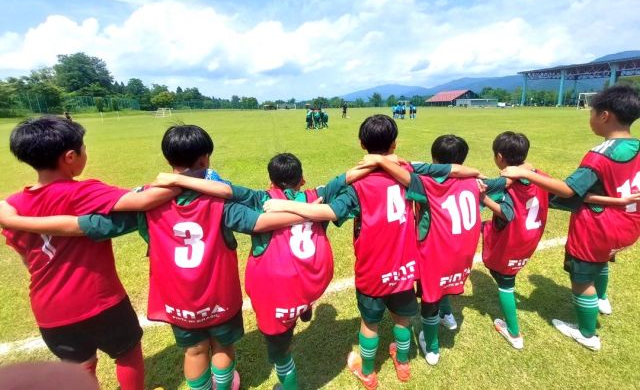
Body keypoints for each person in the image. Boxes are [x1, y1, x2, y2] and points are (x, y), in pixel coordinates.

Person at [0, 124, 308, 390]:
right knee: (223, 346)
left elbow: (91, 225)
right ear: (205, 159)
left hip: (178, 301)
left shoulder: (145, 207)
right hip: (221, 297)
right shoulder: (220, 200)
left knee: (194, 350)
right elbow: (256, 220)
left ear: (168, 160)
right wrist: (306, 211)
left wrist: (16, 219)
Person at [263, 115, 479, 388]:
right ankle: (403, 362)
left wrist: (285, 206)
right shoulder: (409, 172)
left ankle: (367, 370)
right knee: (403, 317)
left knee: (370, 323)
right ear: (395, 142)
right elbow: (449, 170)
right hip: (404, 265)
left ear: (361, 144)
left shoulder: (359, 186)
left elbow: (329, 211)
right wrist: (475, 173)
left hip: (373, 268)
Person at [152, 153, 369, 390]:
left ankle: (289, 386)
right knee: (301, 293)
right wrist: (381, 162)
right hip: (314, 279)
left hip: (279, 289)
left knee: (280, 351)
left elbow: (229, 190)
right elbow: (347, 177)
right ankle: (305, 307)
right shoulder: (317, 195)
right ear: (303, 179)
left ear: (270, 183)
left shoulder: (261, 198)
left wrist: (179, 180)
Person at [0, 115, 177, 390]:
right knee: (127, 353)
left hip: (49, 308)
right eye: (84, 148)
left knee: (79, 365)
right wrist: (189, 178)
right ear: (70, 156)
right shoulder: (82, 192)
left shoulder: (13, 205)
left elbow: (26, 259)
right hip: (102, 301)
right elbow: (144, 200)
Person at [501, 85, 640, 351]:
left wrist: (527, 174)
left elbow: (568, 190)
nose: (590, 117)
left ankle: (587, 334)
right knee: (602, 261)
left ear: (605, 115)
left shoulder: (600, 155)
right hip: (629, 224)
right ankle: (602, 299)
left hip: (598, 228)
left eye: (592, 112)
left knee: (582, 277)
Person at [357, 135, 488, 365]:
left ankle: (432, 348)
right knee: (446, 284)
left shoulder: (428, 182)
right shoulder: (472, 182)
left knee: (430, 298)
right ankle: (447, 315)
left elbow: (408, 176)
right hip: (463, 249)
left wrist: (377, 160)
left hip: (435, 251)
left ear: (435, 159)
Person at [481, 132, 550, 350]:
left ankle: (514, 332)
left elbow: (507, 213)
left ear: (499, 157)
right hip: (530, 237)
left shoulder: (508, 187)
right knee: (487, 231)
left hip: (514, 240)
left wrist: (482, 198)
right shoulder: (538, 175)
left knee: (505, 282)